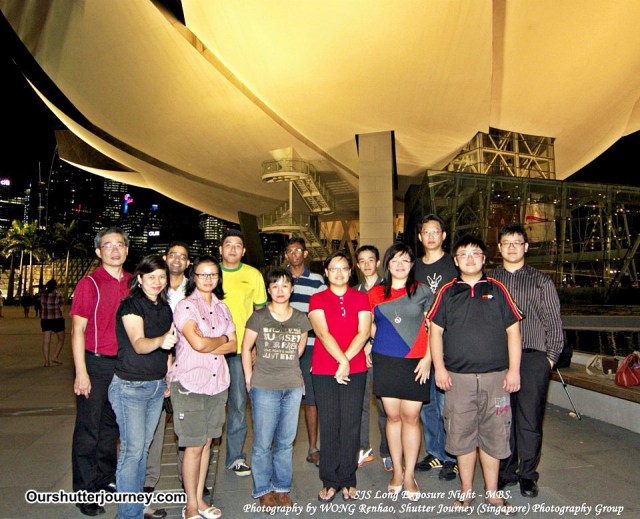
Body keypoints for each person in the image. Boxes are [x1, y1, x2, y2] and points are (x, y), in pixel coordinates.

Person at [428, 235, 522, 514]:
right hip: (458, 380)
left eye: (475, 253)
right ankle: (466, 492)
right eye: (463, 254)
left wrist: (514, 370)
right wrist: (440, 368)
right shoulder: (447, 292)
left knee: (495, 435)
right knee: (462, 436)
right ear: (456, 261)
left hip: (496, 379)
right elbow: (435, 333)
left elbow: (513, 333)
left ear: (484, 258)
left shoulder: (498, 290)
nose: (470, 258)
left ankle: (492, 494)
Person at [489, 223, 564, 498]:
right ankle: (506, 470)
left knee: (529, 419)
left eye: (517, 242)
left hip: (533, 357)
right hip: (498, 359)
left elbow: (554, 324)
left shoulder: (541, 281)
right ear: (499, 248)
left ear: (526, 247)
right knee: (501, 418)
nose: (511, 247)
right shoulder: (489, 281)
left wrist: (549, 360)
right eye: (506, 242)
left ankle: (528, 475)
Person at [108, 255, 177, 519]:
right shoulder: (131, 305)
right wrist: (160, 341)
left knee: (142, 449)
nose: (157, 282)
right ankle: (128, 513)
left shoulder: (165, 308)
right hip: (130, 386)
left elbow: (168, 348)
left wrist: (167, 373)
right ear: (139, 279)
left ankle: (136, 506)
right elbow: (138, 343)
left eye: (161, 277)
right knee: (132, 451)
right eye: (151, 277)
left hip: (155, 386)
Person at [170, 255, 237, 519]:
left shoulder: (223, 308)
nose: (208, 279)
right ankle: (190, 505)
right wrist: (221, 338)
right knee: (194, 445)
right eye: (202, 274)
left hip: (217, 383)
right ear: (193, 277)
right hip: (190, 383)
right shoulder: (186, 306)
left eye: (213, 274)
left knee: (208, 443)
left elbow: (233, 345)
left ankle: (200, 500)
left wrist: (212, 340)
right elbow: (197, 344)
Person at [71, 227, 131, 517]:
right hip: (95, 364)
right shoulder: (90, 283)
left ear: (127, 250)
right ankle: (85, 490)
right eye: (108, 245)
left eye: (120, 245)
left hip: (124, 365)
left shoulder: (133, 282)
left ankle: (105, 479)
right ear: (98, 252)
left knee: (112, 428)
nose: (115, 250)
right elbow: (77, 330)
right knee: (88, 430)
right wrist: (81, 372)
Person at [241, 268, 311, 510]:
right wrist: (249, 379)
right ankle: (263, 489)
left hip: (292, 386)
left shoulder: (301, 318)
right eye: (275, 286)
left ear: (292, 289)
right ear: (269, 290)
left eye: (285, 285)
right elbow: (246, 348)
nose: (280, 290)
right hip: (264, 386)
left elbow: (299, 350)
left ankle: (282, 487)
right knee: (262, 442)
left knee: (285, 441)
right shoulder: (259, 317)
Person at [368, 243, 432, 500]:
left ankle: (409, 476)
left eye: (405, 260)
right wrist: (370, 346)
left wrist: (428, 358)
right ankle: (396, 471)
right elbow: (369, 326)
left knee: (411, 416)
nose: (400, 264)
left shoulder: (422, 291)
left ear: (412, 264)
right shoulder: (374, 293)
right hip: (386, 360)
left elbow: (433, 328)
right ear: (387, 264)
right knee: (392, 416)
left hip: (416, 361)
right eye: (395, 260)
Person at [309, 251, 372, 502]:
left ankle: (348, 477)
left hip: (355, 370)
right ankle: (329, 479)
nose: (339, 272)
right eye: (333, 268)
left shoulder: (361, 298)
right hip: (325, 369)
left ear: (350, 271)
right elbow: (322, 333)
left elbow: (364, 332)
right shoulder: (317, 299)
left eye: (344, 268)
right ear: (326, 272)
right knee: (330, 423)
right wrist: (343, 361)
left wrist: (346, 362)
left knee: (351, 423)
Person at [414, 214, 459, 481]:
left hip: (448, 344)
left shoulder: (454, 265)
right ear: (420, 236)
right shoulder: (414, 267)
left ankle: (453, 457)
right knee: (426, 404)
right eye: (426, 232)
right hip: (419, 345)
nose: (431, 236)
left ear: (443, 235)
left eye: (435, 231)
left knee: (446, 405)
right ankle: (435, 452)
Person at [144, 241, 191, 497]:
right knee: (156, 421)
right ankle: (149, 477)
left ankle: (189, 478)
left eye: (182, 256)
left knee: (186, 422)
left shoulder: (194, 288)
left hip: (188, 360)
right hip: (158, 358)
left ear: (188, 263)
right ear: (165, 257)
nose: (177, 260)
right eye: (173, 255)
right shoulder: (154, 288)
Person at [219, 229, 267, 476]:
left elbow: (260, 314)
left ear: (244, 251)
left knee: (238, 404)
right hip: (209, 351)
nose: (233, 249)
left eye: (238, 245)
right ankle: (202, 451)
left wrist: (255, 347)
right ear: (221, 249)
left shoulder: (253, 275)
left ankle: (235, 456)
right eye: (228, 244)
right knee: (210, 404)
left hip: (239, 351)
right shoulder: (210, 273)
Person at [284, 237, 325, 468]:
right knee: (282, 397)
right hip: (284, 348)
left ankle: (313, 448)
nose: (294, 254)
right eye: (290, 251)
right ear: (286, 255)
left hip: (310, 346)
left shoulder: (317, 281)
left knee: (311, 398)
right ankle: (282, 447)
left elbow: (323, 311)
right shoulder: (281, 279)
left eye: (298, 250)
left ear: (305, 253)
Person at [354, 245, 391, 471]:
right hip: (360, 354)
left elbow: (390, 324)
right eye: (362, 261)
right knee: (360, 402)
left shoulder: (388, 288)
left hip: (384, 353)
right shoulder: (354, 291)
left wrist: (371, 343)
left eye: (371, 260)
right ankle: (363, 448)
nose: (367, 264)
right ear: (357, 265)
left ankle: (387, 450)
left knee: (385, 404)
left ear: (378, 263)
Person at [40, 279, 65, 367]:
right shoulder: (59, 295)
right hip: (57, 319)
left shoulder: (43, 295)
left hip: (45, 320)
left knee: (46, 342)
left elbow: (42, 306)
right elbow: (62, 309)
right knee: (61, 339)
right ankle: (55, 356)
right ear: (55, 286)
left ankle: (46, 362)